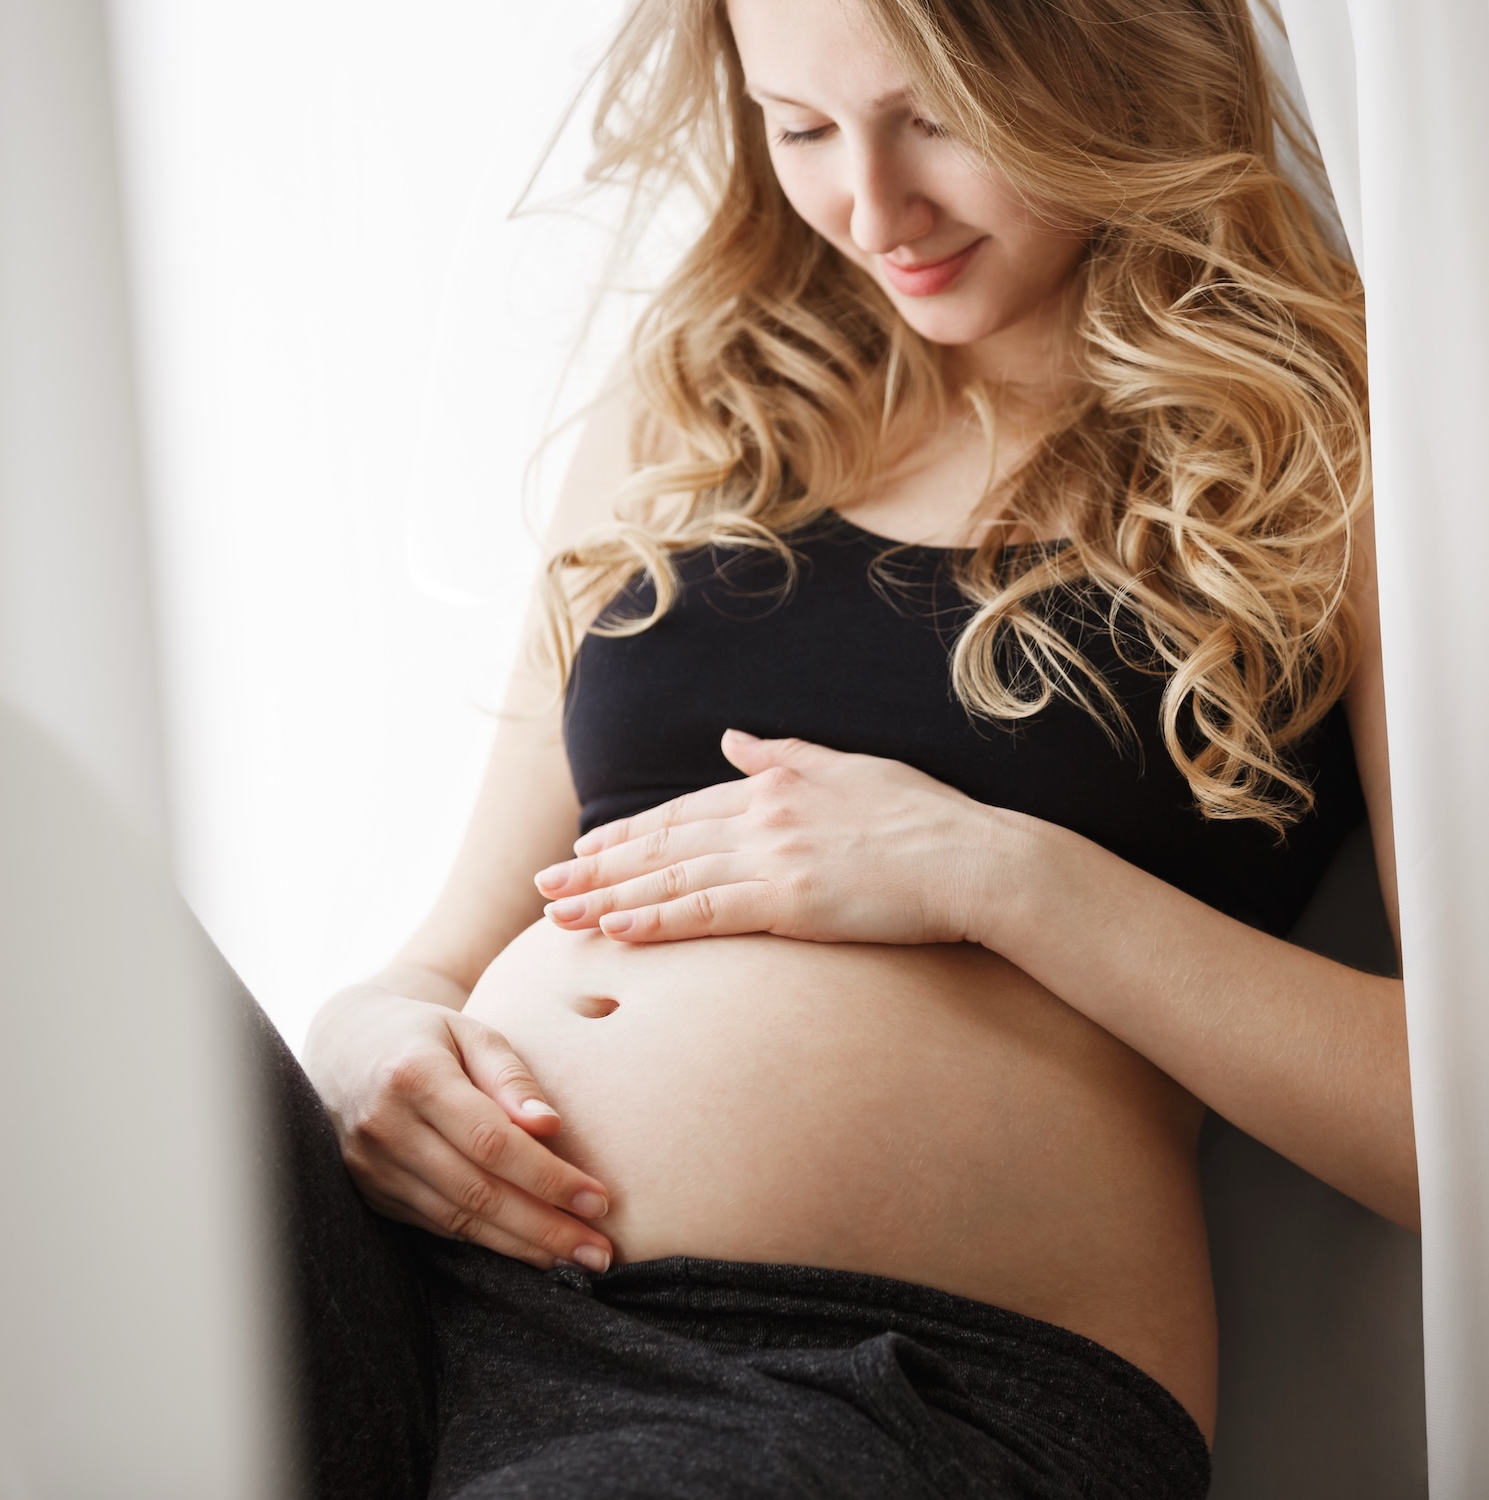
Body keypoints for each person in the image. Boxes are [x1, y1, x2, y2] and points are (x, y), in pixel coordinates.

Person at [284, 0, 1413, 1495]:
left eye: (938, 118)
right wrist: (365, 1048)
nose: (873, 211)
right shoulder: (698, 396)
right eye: (801, 128)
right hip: (422, 1270)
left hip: (860, 1371)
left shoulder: (1341, 440)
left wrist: (1000, 874)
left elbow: (1446, 1121)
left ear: (1115, 58)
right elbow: (445, 945)